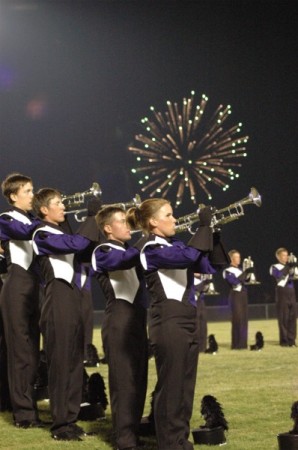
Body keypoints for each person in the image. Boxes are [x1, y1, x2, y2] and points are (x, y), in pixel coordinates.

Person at [127, 198, 224, 450]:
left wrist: (214, 234)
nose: (175, 220)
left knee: (184, 386)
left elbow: (212, 265)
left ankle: (180, 440)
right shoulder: (149, 248)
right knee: (171, 386)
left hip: (187, 318)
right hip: (168, 320)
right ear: (153, 222)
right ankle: (170, 443)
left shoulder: (176, 245)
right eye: (169, 215)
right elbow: (189, 256)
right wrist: (203, 227)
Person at [32, 188, 94, 441]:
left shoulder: (60, 231)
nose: (64, 207)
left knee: (74, 361)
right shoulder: (40, 232)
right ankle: (60, 424)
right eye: (58, 203)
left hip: (72, 296)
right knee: (60, 363)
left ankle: (70, 417)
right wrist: (91, 218)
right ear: (44, 210)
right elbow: (75, 243)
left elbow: (85, 250)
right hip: (56, 297)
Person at [92, 206, 148, 450]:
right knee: (124, 382)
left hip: (137, 320)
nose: (129, 226)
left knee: (139, 380)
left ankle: (133, 433)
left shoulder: (130, 251)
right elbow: (123, 261)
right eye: (122, 222)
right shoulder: (102, 250)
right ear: (107, 228)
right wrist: (148, 235)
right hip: (119, 320)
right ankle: (124, 440)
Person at [0, 173, 41, 427]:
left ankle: (29, 405)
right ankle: (23, 414)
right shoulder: (6, 219)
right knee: (20, 352)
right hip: (16, 286)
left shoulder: (34, 220)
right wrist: (48, 220)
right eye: (28, 191)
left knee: (32, 353)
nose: (32, 195)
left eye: (33, 190)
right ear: (14, 196)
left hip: (35, 287)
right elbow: (24, 232)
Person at [222, 249, 253, 350]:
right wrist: (245, 273)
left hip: (243, 295)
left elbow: (247, 280)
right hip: (235, 295)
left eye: (239, 257)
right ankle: (236, 344)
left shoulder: (240, 270)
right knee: (237, 319)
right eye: (236, 257)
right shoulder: (227, 271)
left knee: (244, 319)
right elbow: (234, 282)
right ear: (231, 259)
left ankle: (243, 344)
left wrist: (250, 272)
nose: (239, 259)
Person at [270, 247, 297, 347]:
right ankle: (284, 341)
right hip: (282, 291)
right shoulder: (274, 267)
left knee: (292, 317)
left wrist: (294, 266)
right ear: (278, 257)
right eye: (283, 256)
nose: (286, 258)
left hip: (291, 291)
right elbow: (279, 276)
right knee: (283, 317)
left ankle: (292, 340)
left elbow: (295, 275)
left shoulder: (289, 266)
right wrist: (288, 267)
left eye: (287, 255)